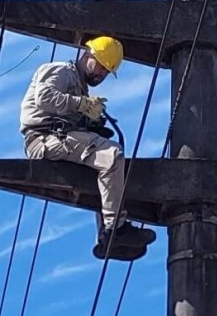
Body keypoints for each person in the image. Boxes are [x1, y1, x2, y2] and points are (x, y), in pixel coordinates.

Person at [19, 36, 155, 261]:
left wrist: (91, 122)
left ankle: (105, 237)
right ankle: (116, 230)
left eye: (106, 71)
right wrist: (81, 105)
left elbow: (68, 112)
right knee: (111, 156)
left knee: (100, 167)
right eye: (100, 65)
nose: (101, 74)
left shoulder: (80, 88)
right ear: (87, 55)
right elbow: (44, 98)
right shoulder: (60, 70)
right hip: (44, 138)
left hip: (58, 137)